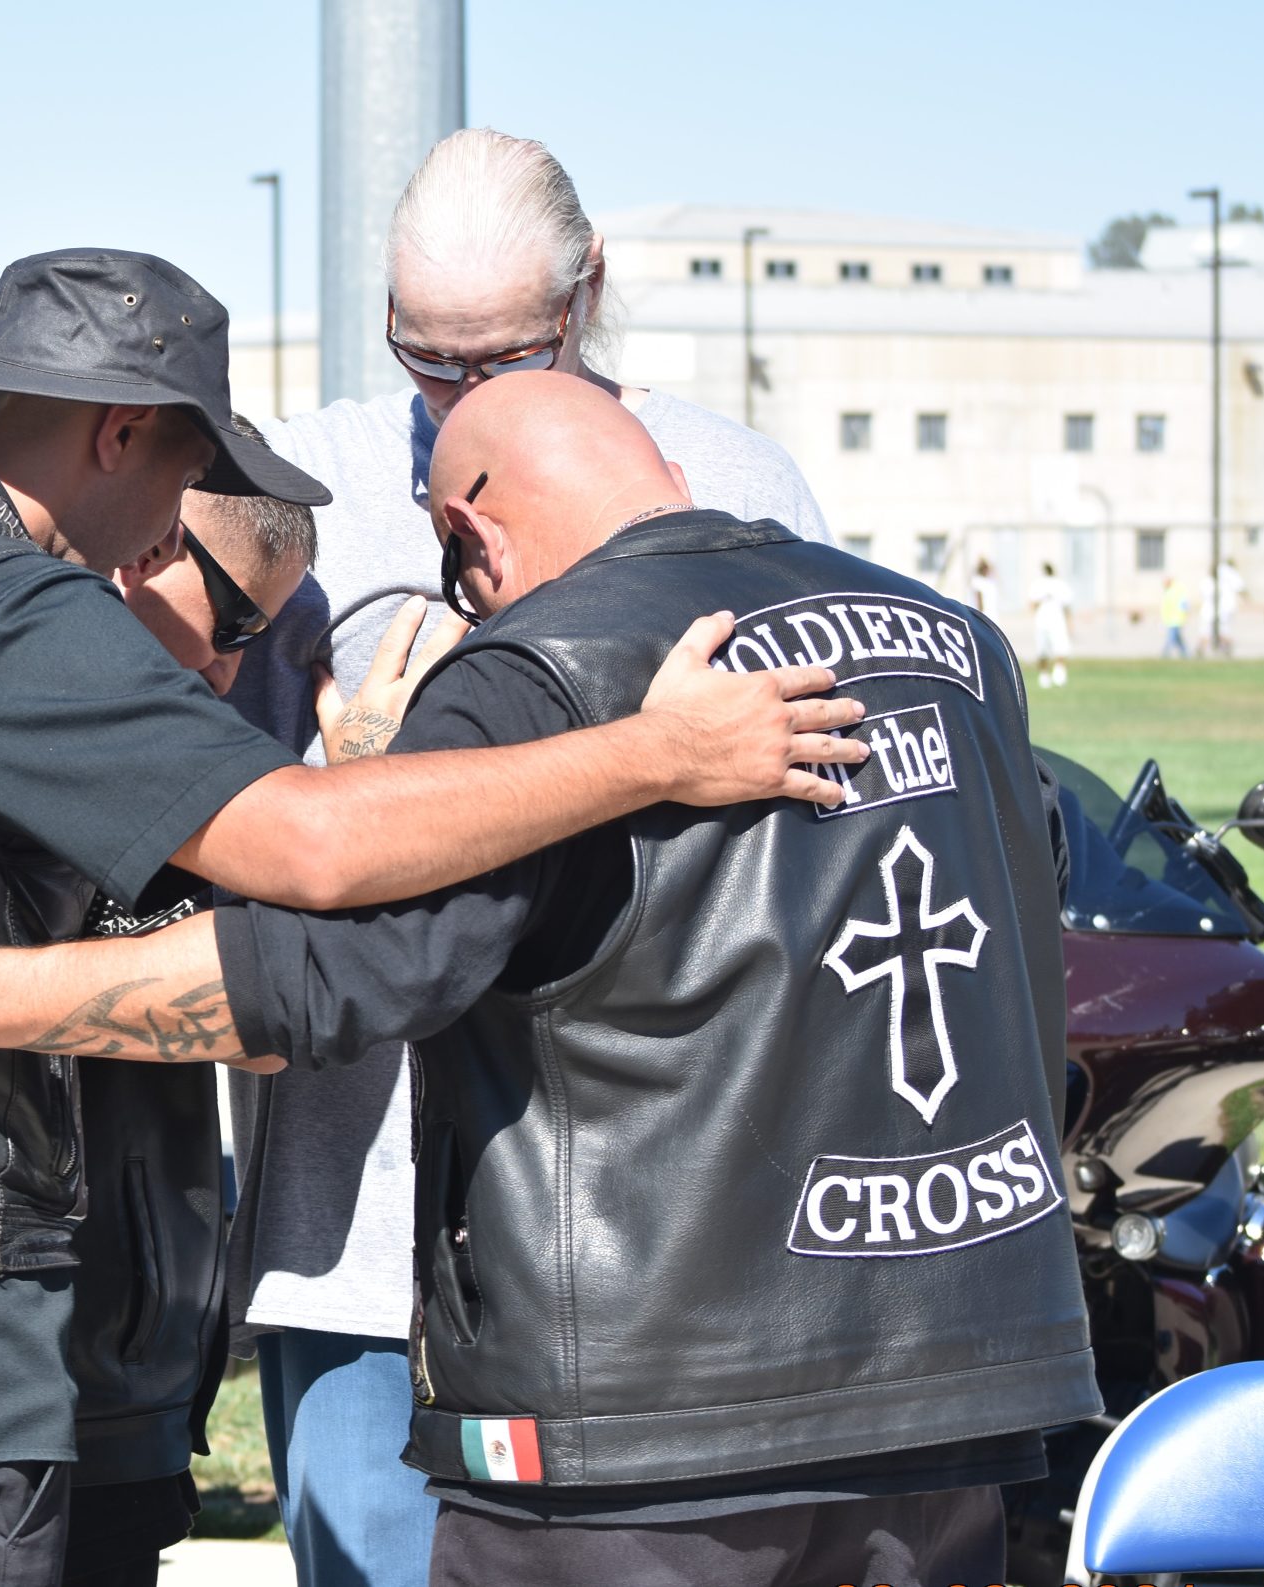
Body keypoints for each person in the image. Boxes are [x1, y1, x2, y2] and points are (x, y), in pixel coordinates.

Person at [0, 251, 866, 1587]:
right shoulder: (4, 607)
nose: (166, 526)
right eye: (188, 474)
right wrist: (651, 754)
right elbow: (309, 852)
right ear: (119, 427)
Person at [0, 372, 1098, 1587]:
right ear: (665, 477)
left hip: (644, 1430)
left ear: (473, 542)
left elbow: (319, 979)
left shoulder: (535, 672)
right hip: (961, 1391)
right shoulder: (963, 647)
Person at [215, 127, 836, 1587]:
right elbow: (195, 815)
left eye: (501, 359)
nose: (459, 402)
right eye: (423, 359)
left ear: (589, 296)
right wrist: (339, 777)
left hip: (675, 1239)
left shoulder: (740, 478)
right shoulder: (301, 487)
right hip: (373, 1241)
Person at [1029, 560, 1072, 688]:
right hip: (1048, 622)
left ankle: (1052, 676)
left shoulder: (1059, 585)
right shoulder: (1040, 585)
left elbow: (1031, 605)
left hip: (1051, 622)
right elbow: (1033, 604)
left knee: (1056, 649)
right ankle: (1050, 676)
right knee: (1046, 650)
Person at [1158, 575, 1192, 659]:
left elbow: (1184, 605)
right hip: (1171, 619)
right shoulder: (1168, 591)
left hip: (1176, 619)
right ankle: (1186, 653)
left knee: (1171, 637)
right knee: (1178, 638)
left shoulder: (1176, 592)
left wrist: (1185, 615)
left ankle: (1165, 653)